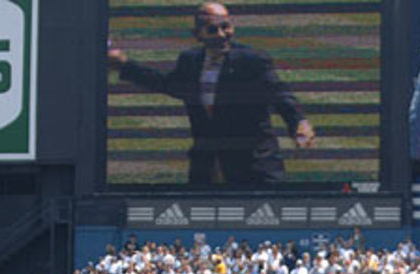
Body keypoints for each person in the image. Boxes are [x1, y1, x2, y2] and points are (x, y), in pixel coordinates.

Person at [108, 2, 315, 186]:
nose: (222, 34)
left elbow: (278, 92)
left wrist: (298, 122)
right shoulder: (190, 62)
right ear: (198, 34)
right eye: (213, 29)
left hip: (254, 166)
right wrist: (125, 65)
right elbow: (167, 84)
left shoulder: (252, 61)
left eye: (226, 27)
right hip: (207, 166)